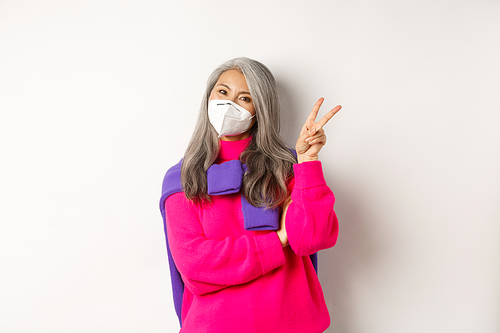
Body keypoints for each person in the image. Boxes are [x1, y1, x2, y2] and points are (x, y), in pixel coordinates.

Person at [159, 57, 341, 333]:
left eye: (244, 98)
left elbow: (311, 239)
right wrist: (278, 240)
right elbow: (195, 265)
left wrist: (308, 163)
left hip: (292, 324)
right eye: (222, 92)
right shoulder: (182, 177)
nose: (229, 104)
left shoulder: (288, 167)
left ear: (260, 109)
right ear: (209, 96)